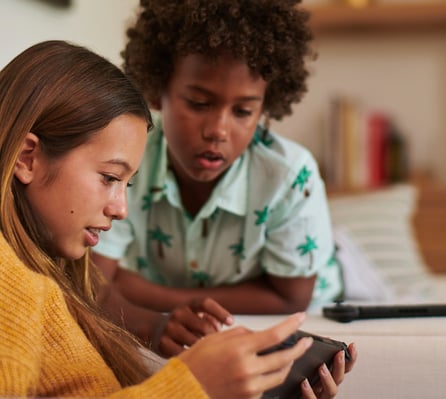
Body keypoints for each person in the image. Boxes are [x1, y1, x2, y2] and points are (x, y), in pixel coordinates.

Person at [0, 39, 351, 398]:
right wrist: (191, 386)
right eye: (109, 178)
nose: (122, 209)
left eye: (127, 183)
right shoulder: (12, 286)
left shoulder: (49, 286)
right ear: (27, 159)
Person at [92, 0, 343, 315]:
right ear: (158, 90)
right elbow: (96, 281)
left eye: (243, 111)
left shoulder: (290, 175)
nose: (218, 131)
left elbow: (291, 299)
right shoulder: (128, 158)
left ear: (264, 107)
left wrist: (154, 297)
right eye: (198, 103)